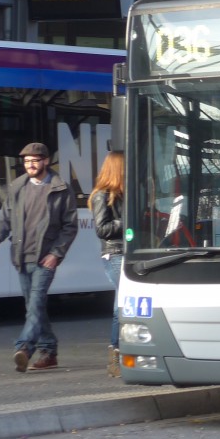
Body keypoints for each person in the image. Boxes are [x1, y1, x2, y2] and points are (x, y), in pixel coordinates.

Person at [0, 142, 78, 372]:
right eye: (26, 161)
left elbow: (70, 226)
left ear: (46, 161)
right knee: (34, 307)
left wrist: (56, 253)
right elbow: (5, 220)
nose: (30, 165)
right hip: (22, 256)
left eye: (35, 161)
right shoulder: (18, 187)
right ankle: (49, 351)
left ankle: (24, 348)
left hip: (45, 258)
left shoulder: (60, 188)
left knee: (35, 304)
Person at [90, 150, 125, 377]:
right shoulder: (102, 195)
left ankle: (117, 353)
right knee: (122, 303)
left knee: (121, 304)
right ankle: (116, 354)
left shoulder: (122, 194)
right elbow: (102, 229)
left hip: (124, 253)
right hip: (114, 253)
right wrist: (127, 221)